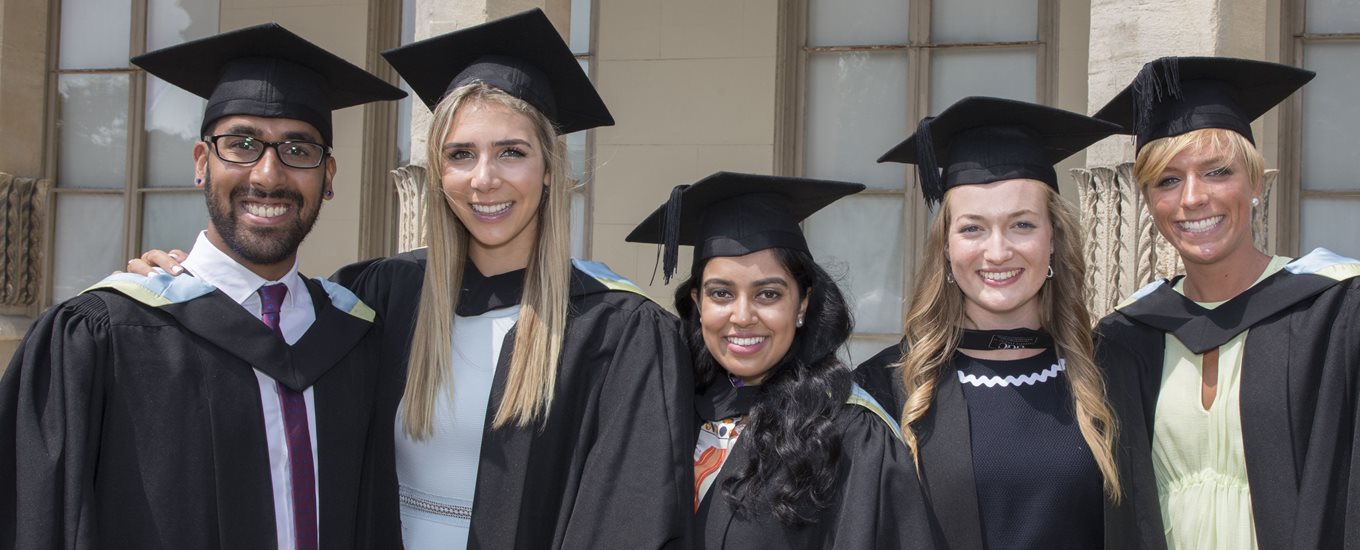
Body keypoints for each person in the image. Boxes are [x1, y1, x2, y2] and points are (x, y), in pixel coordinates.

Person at [0, 24, 406, 549]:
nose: (267, 174)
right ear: (200, 163)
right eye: (240, 144)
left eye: (298, 149)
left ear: (328, 176)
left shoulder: (355, 341)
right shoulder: (104, 337)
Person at [1093, 57, 1360, 550]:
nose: (1193, 198)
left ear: (1256, 182)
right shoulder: (1125, 337)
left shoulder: (1336, 311)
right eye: (1167, 180)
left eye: (1217, 172)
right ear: (1150, 201)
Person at [854, 97, 1134, 549]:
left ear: (1054, 240)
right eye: (972, 228)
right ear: (945, 246)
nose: (998, 251)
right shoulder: (886, 391)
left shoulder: (1111, 376)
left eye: (1022, 224)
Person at [626, 171, 935, 549]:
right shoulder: (670, 414)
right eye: (721, 293)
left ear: (802, 304)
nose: (742, 316)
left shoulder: (849, 435)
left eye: (768, 294)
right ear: (697, 305)